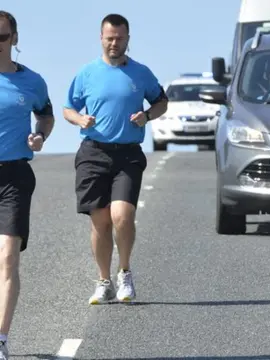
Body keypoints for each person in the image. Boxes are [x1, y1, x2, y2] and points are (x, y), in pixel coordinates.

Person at [62, 14, 168, 305]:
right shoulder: (87, 73)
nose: (114, 43)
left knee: (121, 215)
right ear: (101, 38)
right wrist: (79, 119)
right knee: (99, 221)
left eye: (119, 38)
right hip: (93, 152)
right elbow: (67, 108)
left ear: (127, 39)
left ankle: (125, 272)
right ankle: (103, 280)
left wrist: (146, 115)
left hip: (128, 154)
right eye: (109, 38)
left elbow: (162, 102)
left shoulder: (140, 73)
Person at [0, 10, 54, 359]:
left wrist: (40, 135)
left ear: (14, 39)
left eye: (2, 37)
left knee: (7, 258)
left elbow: (45, 114)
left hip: (14, 176)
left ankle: (0, 340)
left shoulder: (31, 82)